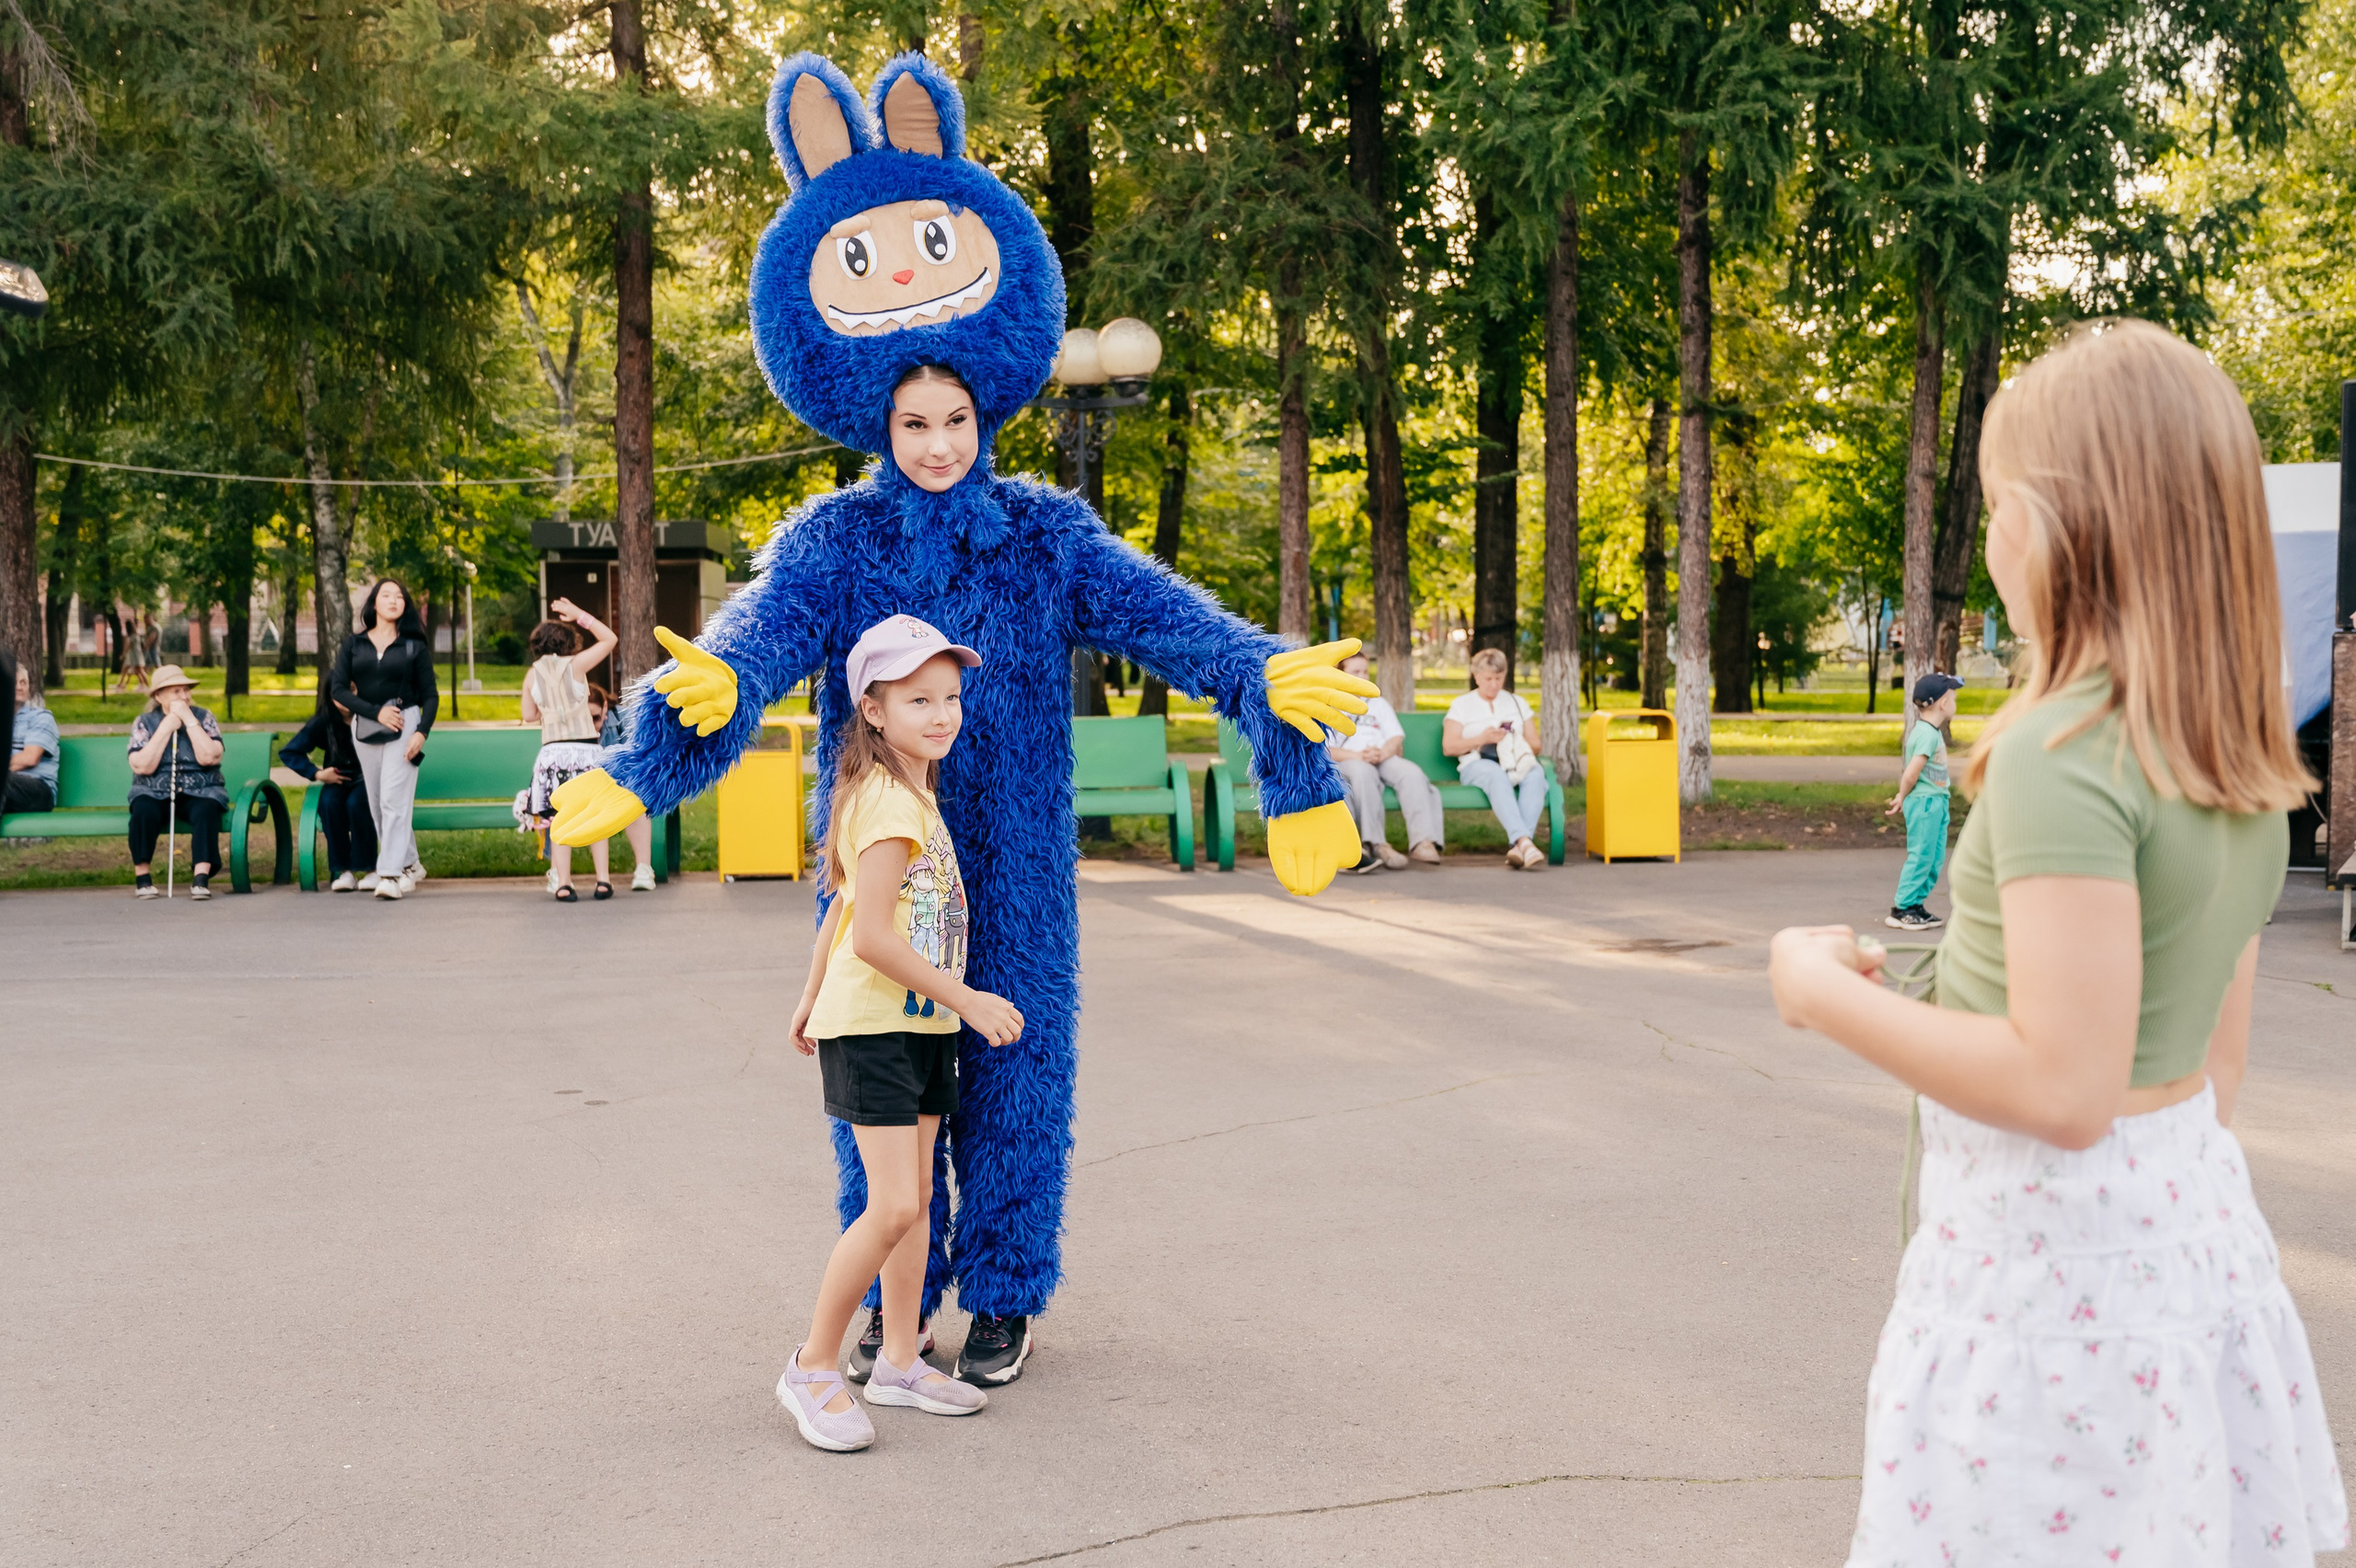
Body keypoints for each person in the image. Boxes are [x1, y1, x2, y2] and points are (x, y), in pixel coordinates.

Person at [549, 50, 1374, 1395]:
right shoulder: (837, 532)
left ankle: (999, 1291)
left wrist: (1261, 675)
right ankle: (894, 1298)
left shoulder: (1046, 535)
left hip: (1019, 858)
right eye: (912, 419)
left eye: (955, 417)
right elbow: (749, 642)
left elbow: (1168, 620)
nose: (935, 439)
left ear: (986, 409)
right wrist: (655, 746)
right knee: (888, 1089)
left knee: (1017, 1074)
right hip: (885, 856)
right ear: (879, 416)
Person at [1769, 321, 2346, 1563]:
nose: (1989, 539)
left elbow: (2065, 1089)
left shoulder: (2056, 751)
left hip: (2048, 1280)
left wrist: (1819, 992)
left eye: (1993, 508)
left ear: (2051, 526)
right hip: (2181, 1246)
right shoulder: (2235, 757)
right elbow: (2211, 1072)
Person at [777, 616, 1022, 1453]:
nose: (942, 713)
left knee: (915, 1203)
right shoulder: (885, 799)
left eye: (950, 696)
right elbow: (874, 935)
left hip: (914, 1024)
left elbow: (841, 908)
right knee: (891, 1204)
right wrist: (972, 998)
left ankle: (901, 1359)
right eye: (918, 698)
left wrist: (806, 996)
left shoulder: (909, 791)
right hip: (883, 1025)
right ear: (873, 711)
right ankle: (811, 1367)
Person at [330, 578, 437, 901]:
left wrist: (421, 732)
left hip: (405, 724)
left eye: (400, 596)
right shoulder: (353, 645)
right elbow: (337, 690)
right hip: (366, 728)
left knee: (393, 800)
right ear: (373, 603)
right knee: (377, 803)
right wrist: (375, 712)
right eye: (386, 595)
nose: (394, 600)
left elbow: (431, 695)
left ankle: (389, 874)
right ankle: (410, 864)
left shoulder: (413, 646)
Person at [519, 598, 622, 902]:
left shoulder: (531, 675)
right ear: (569, 644)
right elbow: (610, 639)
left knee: (559, 819)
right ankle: (603, 880)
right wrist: (580, 615)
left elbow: (529, 715)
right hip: (585, 750)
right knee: (595, 815)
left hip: (552, 754)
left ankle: (564, 883)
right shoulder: (576, 665)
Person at [1327, 648, 1442, 872]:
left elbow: (1395, 737)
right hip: (1350, 760)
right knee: (1363, 772)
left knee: (1411, 773)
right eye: (1356, 672)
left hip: (1382, 756)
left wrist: (1383, 752)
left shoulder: (1377, 703)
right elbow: (1326, 749)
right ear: (1341, 674)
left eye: (1365, 672)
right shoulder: (1332, 704)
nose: (1362, 677)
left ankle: (1423, 842)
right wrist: (1358, 756)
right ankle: (1376, 844)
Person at [125, 665, 227, 900]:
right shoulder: (144, 722)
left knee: (206, 808)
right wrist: (165, 728)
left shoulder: (204, 717)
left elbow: (209, 756)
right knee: (143, 809)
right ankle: (143, 879)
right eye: (177, 692)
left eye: (186, 690)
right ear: (158, 696)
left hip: (200, 787)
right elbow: (142, 765)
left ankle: (201, 878)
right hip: (154, 788)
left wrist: (190, 721)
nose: (185, 696)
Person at [1444, 647, 1547, 870]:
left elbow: (1536, 745)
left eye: (1499, 678)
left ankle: (1520, 846)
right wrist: (1481, 738)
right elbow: (1449, 746)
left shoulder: (1517, 703)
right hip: (1477, 764)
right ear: (1476, 676)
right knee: (1495, 775)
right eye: (1488, 678)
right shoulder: (1462, 705)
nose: (1494, 684)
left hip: (1515, 763)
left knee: (1536, 773)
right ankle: (1524, 842)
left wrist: (1511, 741)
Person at [278, 674, 378, 891]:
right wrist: (317, 774)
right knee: (329, 803)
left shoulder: (370, 716)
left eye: (351, 690)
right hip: (337, 778)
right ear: (329, 696)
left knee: (357, 804)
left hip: (367, 779)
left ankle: (370, 869)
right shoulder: (324, 721)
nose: (346, 698)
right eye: (339, 693)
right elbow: (289, 752)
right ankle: (344, 872)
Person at [1885, 674, 1961, 930]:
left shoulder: (1929, 731)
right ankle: (1902, 908)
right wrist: (1902, 796)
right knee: (1922, 856)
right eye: (1953, 696)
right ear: (1942, 703)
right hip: (1926, 803)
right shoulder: (1927, 735)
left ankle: (1915, 904)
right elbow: (1911, 773)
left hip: (1936, 800)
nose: (1955, 700)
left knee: (1934, 857)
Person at [587, 682, 657, 893]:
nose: (592, 725)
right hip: (589, 791)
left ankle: (644, 869)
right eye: (586, 719)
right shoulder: (570, 729)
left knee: (634, 801)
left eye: (596, 718)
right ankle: (560, 875)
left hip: (619, 784)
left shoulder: (624, 720)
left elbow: (641, 756)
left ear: (606, 709)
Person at [6, 655, 59, 816]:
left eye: (24, 683)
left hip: (39, 790)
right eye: (14, 682)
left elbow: (29, 758)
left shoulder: (41, 717)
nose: (20, 687)